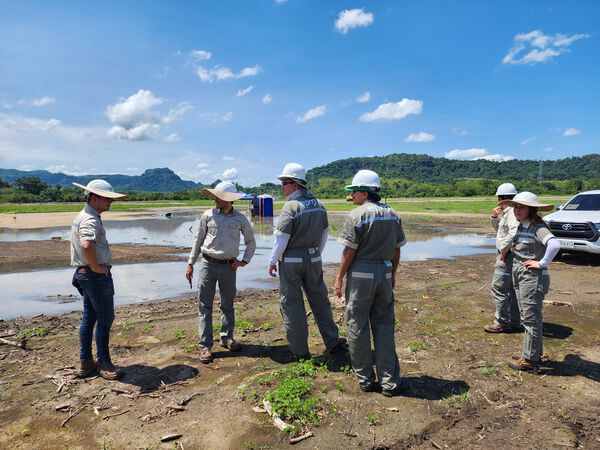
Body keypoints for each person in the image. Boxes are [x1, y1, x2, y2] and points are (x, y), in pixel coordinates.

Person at [334, 170, 409, 396]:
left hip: (361, 275)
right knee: (384, 326)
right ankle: (390, 382)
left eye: (354, 191)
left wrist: (338, 278)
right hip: (384, 272)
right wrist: (392, 273)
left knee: (357, 325)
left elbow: (349, 251)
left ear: (364, 192)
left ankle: (366, 379)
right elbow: (396, 250)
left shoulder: (357, 215)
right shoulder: (393, 214)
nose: (352, 195)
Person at [268, 162, 344, 360]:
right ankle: (333, 342)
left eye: (284, 182)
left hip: (292, 260)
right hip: (314, 257)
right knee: (320, 300)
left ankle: (300, 351)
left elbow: (281, 239)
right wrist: (316, 253)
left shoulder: (290, 207)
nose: (282, 187)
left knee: (292, 305)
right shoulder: (319, 205)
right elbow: (324, 234)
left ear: (295, 184)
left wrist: (272, 261)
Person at [186, 181, 256, 364]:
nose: (215, 199)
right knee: (204, 306)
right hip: (208, 265)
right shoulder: (207, 215)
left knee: (227, 304)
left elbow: (251, 242)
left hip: (228, 267)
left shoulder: (240, 219)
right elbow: (198, 240)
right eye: (215, 196)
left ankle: (227, 338)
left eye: (219, 196)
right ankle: (205, 346)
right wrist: (190, 263)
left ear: (229, 200)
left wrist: (244, 261)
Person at [497, 192, 560, 372]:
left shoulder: (538, 227)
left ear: (531, 209)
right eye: (516, 206)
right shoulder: (522, 225)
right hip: (522, 275)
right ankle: (532, 353)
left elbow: (554, 245)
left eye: (522, 207)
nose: (517, 210)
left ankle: (531, 360)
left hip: (532, 277)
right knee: (528, 317)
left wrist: (541, 263)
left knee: (530, 318)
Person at [71, 179, 127, 380]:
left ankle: (87, 362)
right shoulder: (90, 219)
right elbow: (87, 245)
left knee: (90, 317)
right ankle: (104, 363)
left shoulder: (88, 215)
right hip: (94, 276)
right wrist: (96, 267)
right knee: (105, 319)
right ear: (93, 198)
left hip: (86, 275)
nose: (110, 203)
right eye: (107, 199)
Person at [484, 183, 522, 333]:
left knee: (499, 288)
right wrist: (495, 217)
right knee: (512, 289)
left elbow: (513, 234)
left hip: (508, 255)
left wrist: (503, 251)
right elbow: (501, 232)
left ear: (501, 198)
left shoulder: (512, 213)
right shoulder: (509, 213)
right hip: (511, 254)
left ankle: (501, 322)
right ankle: (515, 321)